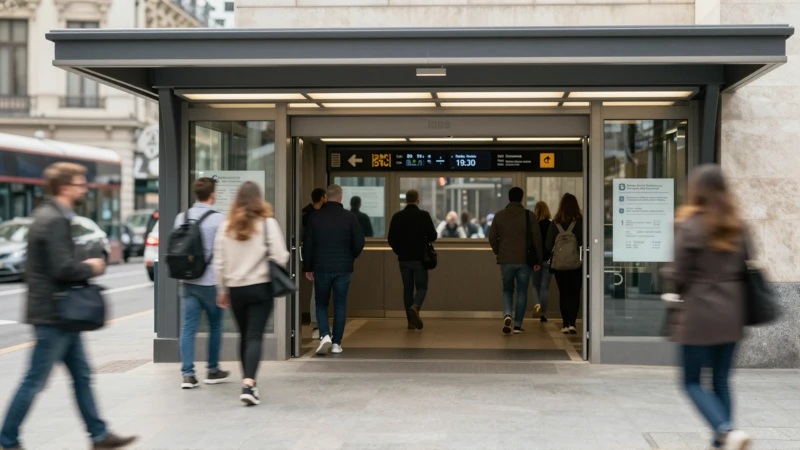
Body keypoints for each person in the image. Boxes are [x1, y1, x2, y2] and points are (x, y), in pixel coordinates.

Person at [0, 162, 136, 450]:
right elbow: (62, 268)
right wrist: (92, 266)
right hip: (54, 315)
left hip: (60, 314)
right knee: (35, 380)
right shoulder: (53, 220)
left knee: (82, 376)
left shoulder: (50, 216)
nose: (83, 187)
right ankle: (7, 439)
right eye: (79, 183)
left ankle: (99, 435)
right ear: (64, 187)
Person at [661, 165, 750, 450]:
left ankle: (725, 429)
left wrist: (671, 288)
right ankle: (723, 441)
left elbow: (678, 273)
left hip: (699, 315)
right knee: (721, 380)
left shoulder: (690, 225)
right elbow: (746, 265)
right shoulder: (738, 226)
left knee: (691, 381)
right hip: (732, 313)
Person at [213, 181, 289, 406]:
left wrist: (222, 289)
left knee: (244, 334)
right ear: (259, 199)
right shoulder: (267, 224)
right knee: (255, 334)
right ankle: (249, 384)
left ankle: (246, 382)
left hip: (236, 289)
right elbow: (281, 255)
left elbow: (219, 262)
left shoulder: (227, 226)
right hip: (261, 286)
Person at [174, 177, 230, 389]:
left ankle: (188, 374)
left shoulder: (182, 217)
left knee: (188, 327)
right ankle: (213, 369)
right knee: (215, 325)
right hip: (211, 282)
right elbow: (223, 254)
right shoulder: (219, 220)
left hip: (187, 281)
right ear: (212, 195)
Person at [303, 184, 365, 356]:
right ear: (340, 197)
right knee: (340, 305)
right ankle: (337, 343)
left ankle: (324, 335)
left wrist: (308, 267)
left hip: (321, 268)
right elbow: (359, 242)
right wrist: (349, 256)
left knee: (321, 303)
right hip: (343, 268)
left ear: (325, 197)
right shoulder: (350, 217)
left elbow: (308, 244)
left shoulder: (315, 217)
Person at [489, 187, 543, 335]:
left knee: (507, 289)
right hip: (524, 260)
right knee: (522, 291)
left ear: (508, 198)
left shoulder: (499, 216)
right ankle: (518, 325)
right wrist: (538, 259)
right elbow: (537, 239)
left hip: (506, 260)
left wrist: (499, 251)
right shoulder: (529, 215)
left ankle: (507, 314)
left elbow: (492, 237)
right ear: (522, 198)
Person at [387, 189, 437, 331]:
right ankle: (415, 307)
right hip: (420, 259)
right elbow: (433, 236)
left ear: (405, 200)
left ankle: (410, 322)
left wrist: (399, 251)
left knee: (407, 289)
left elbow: (391, 238)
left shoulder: (397, 216)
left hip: (404, 259)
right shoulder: (424, 215)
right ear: (418, 200)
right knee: (422, 287)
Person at [545, 193, 583, 335]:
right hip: (576, 264)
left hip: (560, 265)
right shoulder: (580, 222)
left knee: (564, 293)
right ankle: (573, 323)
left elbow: (548, 245)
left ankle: (565, 323)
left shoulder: (555, 223)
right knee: (575, 293)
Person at [301, 188, 326, 339]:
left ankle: (317, 324)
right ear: (323, 197)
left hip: (313, 257)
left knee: (316, 292)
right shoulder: (317, 215)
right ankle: (317, 325)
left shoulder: (305, 213)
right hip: (316, 257)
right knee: (317, 293)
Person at [531, 201, 553, 322]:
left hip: (536, 261)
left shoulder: (534, 226)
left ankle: (537, 303)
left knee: (535, 285)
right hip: (548, 260)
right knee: (545, 288)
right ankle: (543, 314)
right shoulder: (551, 225)